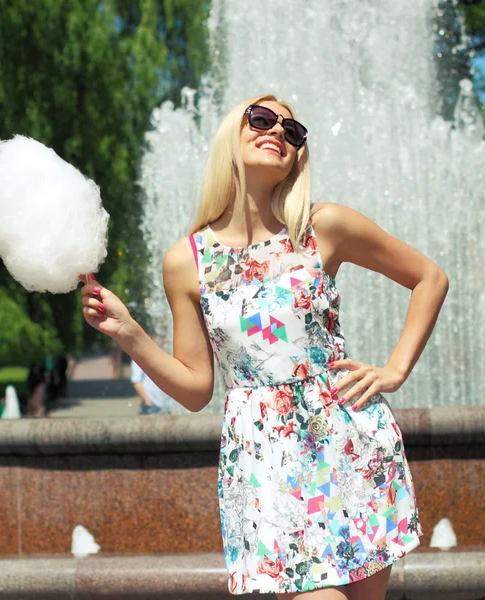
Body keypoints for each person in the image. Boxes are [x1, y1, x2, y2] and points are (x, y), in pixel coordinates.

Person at [79, 95, 448, 600]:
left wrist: (395, 369)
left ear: (297, 156)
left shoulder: (322, 228)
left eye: (292, 130)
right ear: (233, 133)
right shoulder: (186, 261)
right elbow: (194, 390)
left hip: (350, 446)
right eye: (261, 118)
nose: (277, 130)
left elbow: (429, 278)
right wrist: (129, 334)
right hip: (265, 462)